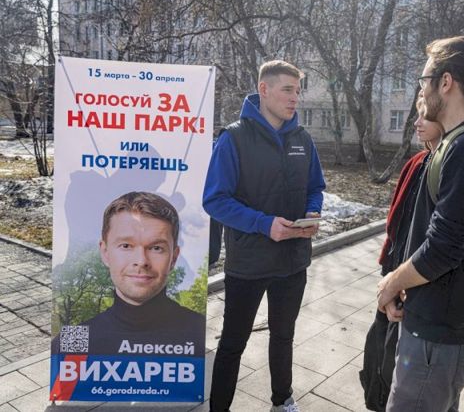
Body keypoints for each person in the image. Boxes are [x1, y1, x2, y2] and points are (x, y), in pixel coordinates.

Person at [376, 36, 464, 411]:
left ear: (446, 82)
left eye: (424, 81)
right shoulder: (458, 144)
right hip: (433, 328)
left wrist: (391, 283)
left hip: (438, 338)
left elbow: (444, 248)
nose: (422, 90)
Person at [203, 60, 326, 412]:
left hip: (293, 260)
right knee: (233, 343)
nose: (295, 98)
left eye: (297, 91)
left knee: (283, 336)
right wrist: (263, 223)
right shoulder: (234, 138)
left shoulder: (303, 139)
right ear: (264, 90)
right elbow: (215, 200)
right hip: (249, 263)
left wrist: (312, 212)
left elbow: (315, 187)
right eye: (287, 90)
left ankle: (282, 400)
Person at [361, 98, 445, 411]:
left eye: (425, 116)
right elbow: (397, 229)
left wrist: (401, 285)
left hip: (418, 287)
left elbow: (438, 244)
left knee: (401, 374)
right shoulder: (417, 163)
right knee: (379, 359)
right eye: (417, 115)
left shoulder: (448, 166)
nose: (416, 122)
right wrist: (388, 283)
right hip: (395, 278)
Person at [52, 191, 205, 356]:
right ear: (105, 252)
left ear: (173, 258)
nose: (141, 261)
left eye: (156, 248)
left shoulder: (196, 332)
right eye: (126, 246)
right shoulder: (73, 341)